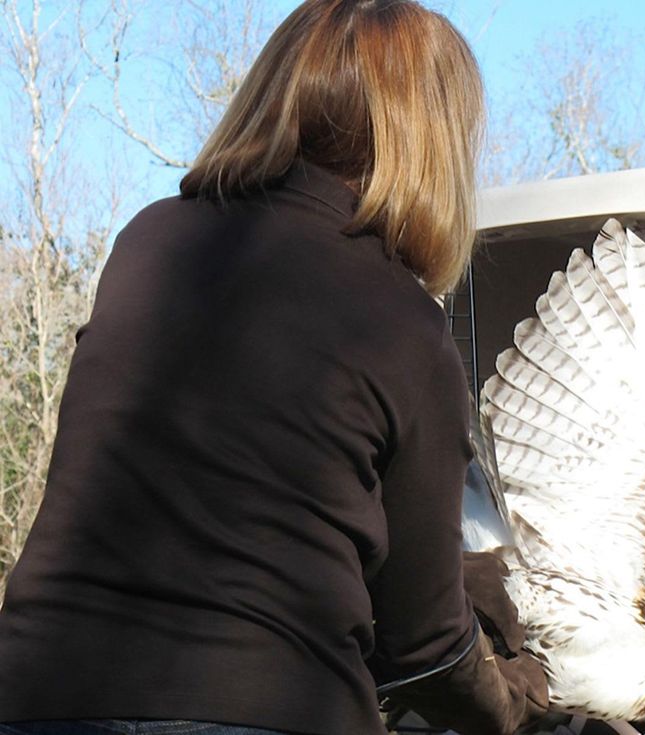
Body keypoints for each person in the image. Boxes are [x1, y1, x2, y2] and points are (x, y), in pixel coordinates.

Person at [0, 1, 548, 734]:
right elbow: (424, 649)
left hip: (40, 695)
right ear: (430, 143)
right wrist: (513, 700)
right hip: (266, 706)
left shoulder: (148, 242)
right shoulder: (403, 322)